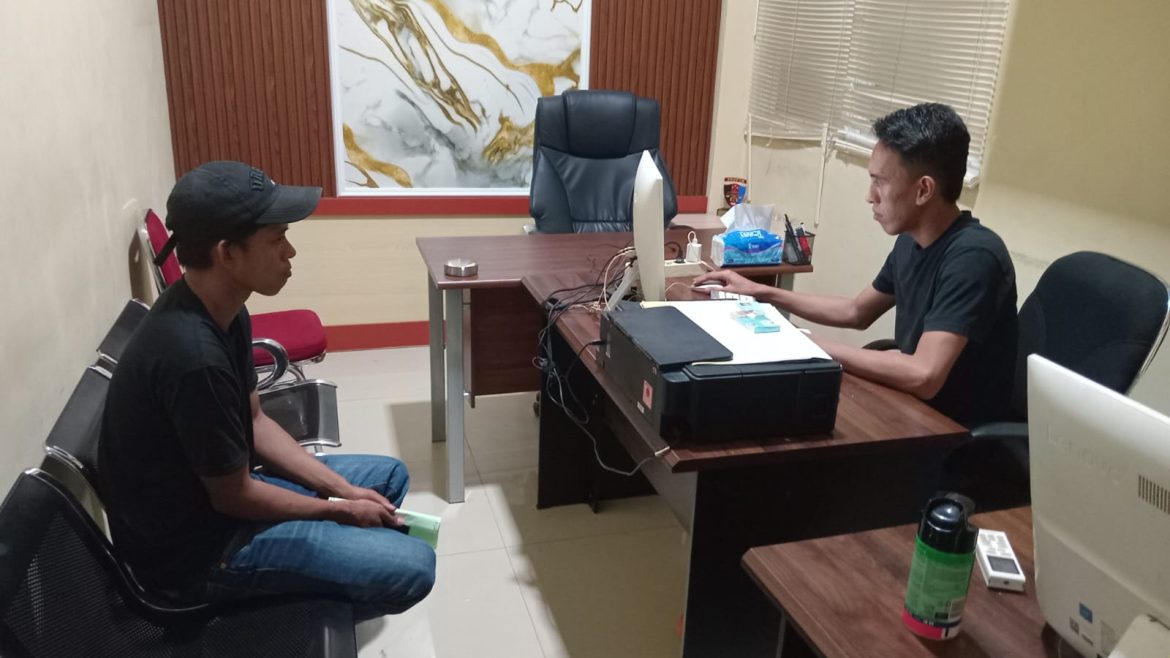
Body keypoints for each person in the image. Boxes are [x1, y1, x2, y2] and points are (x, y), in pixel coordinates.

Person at [99, 161, 435, 620]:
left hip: (221, 497)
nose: (290, 251)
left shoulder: (223, 308)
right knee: (414, 568)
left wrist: (343, 491)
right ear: (227, 253)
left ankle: (317, 570)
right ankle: (275, 617)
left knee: (386, 479)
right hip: (198, 552)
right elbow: (234, 496)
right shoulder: (193, 357)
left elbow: (255, 421)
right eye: (277, 239)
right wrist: (337, 512)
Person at [694, 103, 1017, 426]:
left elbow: (924, 375)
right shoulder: (911, 241)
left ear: (923, 190)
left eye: (880, 182)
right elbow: (856, 311)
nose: (870, 196)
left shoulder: (974, 257)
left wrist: (807, 343)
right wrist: (759, 291)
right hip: (910, 411)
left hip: (951, 433)